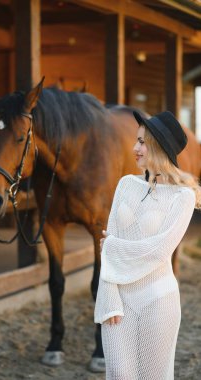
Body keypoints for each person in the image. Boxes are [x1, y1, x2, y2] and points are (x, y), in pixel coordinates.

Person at [94, 110, 201, 380]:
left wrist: (112, 246)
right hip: (118, 301)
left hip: (158, 301)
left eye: (142, 142)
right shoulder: (125, 185)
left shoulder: (183, 197)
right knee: (118, 373)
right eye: (137, 140)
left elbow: (159, 250)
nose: (135, 148)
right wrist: (109, 298)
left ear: (159, 145)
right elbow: (107, 250)